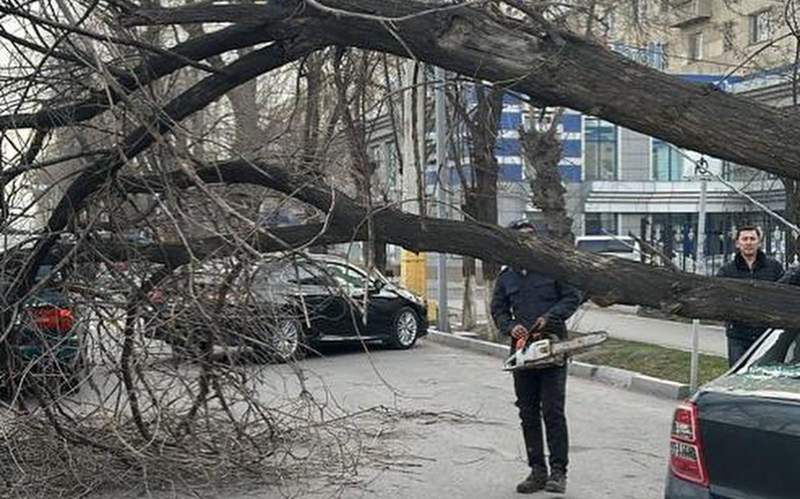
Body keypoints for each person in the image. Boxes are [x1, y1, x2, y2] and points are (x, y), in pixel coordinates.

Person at [490, 220, 582, 494]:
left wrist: (549, 317)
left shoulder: (552, 269)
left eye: (531, 237)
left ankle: (558, 472)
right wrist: (509, 326)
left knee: (552, 411)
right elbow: (498, 309)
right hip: (522, 351)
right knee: (527, 412)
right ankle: (537, 471)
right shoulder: (507, 276)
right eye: (520, 239)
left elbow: (571, 298)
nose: (526, 243)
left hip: (552, 348)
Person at [716, 225, 783, 366]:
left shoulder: (774, 268)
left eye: (752, 238)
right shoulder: (727, 271)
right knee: (738, 374)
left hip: (767, 335)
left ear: (759, 242)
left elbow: (782, 296)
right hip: (738, 335)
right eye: (744, 239)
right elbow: (720, 299)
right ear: (737, 243)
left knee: (766, 375)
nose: (748, 242)